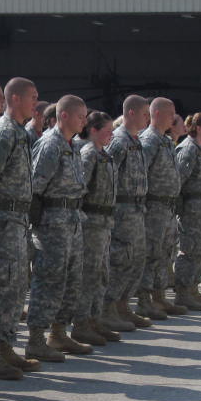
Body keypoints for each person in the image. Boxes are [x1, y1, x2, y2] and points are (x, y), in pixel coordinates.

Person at [0, 77, 41, 380]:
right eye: (32, 96)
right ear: (14, 98)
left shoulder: (19, 133)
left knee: (16, 288)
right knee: (0, 286)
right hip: (2, 223)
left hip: (17, 222)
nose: (35, 102)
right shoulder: (3, 133)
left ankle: (5, 347)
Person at [26, 95, 90, 361]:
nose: (84, 121)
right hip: (53, 223)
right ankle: (36, 339)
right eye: (80, 116)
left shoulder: (72, 145)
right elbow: (35, 187)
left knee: (71, 280)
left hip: (72, 221)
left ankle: (59, 331)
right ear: (64, 115)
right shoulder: (50, 144)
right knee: (49, 280)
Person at [73, 111, 119, 343]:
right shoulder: (89, 153)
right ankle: (81, 322)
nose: (111, 134)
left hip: (104, 223)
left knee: (101, 273)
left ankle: (94, 318)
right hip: (91, 222)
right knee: (89, 274)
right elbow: (80, 189)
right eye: (107, 130)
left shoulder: (104, 154)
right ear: (93, 130)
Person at [106, 95, 152, 326]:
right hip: (121, 210)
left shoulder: (136, 141)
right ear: (131, 113)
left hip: (136, 209)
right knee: (120, 258)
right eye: (145, 113)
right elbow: (106, 175)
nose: (148, 118)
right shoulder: (118, 141)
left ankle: (123, 304)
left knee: (136, 259)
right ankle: (109, 308)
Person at [138, 97, 184, 317]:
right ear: (156, 113)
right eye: (170, 112)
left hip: (167, 208)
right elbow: (141, 173)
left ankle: (159, 296)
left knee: (165, 253)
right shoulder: (149, 140)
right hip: (153, 208)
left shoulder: (165, 141)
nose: (173, 117)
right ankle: (145, 300)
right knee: (151, 253)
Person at [172, 111, 201, 309]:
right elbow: (179, 181)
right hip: (193, 209)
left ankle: (193, 288)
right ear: (198, 128)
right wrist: (182, 209)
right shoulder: (188, 149)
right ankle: (183, 291)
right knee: (190, 249)